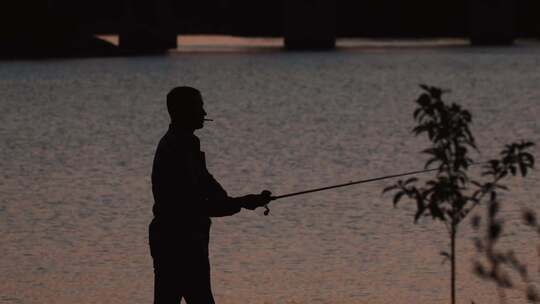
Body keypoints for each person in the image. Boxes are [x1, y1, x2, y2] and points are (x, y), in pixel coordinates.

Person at [149, 86, 272, 304]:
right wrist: (239, 203)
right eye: (199, 107)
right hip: (178, 241)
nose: (204, 113)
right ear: (182, 111)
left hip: (182, 239)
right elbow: (192, 204)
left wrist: (243, 201)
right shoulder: (176, 148)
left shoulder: (186, 144)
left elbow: (207, 183)